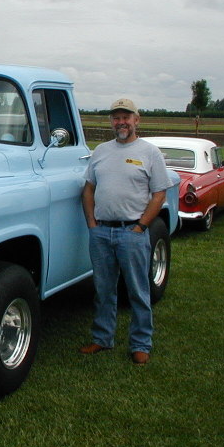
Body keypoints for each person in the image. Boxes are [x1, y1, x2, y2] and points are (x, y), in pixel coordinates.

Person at [80, 98, 172, 365]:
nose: (121, 122)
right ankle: (102, 339)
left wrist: (140, 226)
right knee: (103, 290)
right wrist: (92, 224)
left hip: (131, 233)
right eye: (116, 118)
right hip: (101, 233)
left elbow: (159, 194)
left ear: (136, 120)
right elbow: (89, 189)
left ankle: (141, 343)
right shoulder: (100, 151)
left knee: (137, 291)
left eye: (126, 117)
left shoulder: (149, 152)